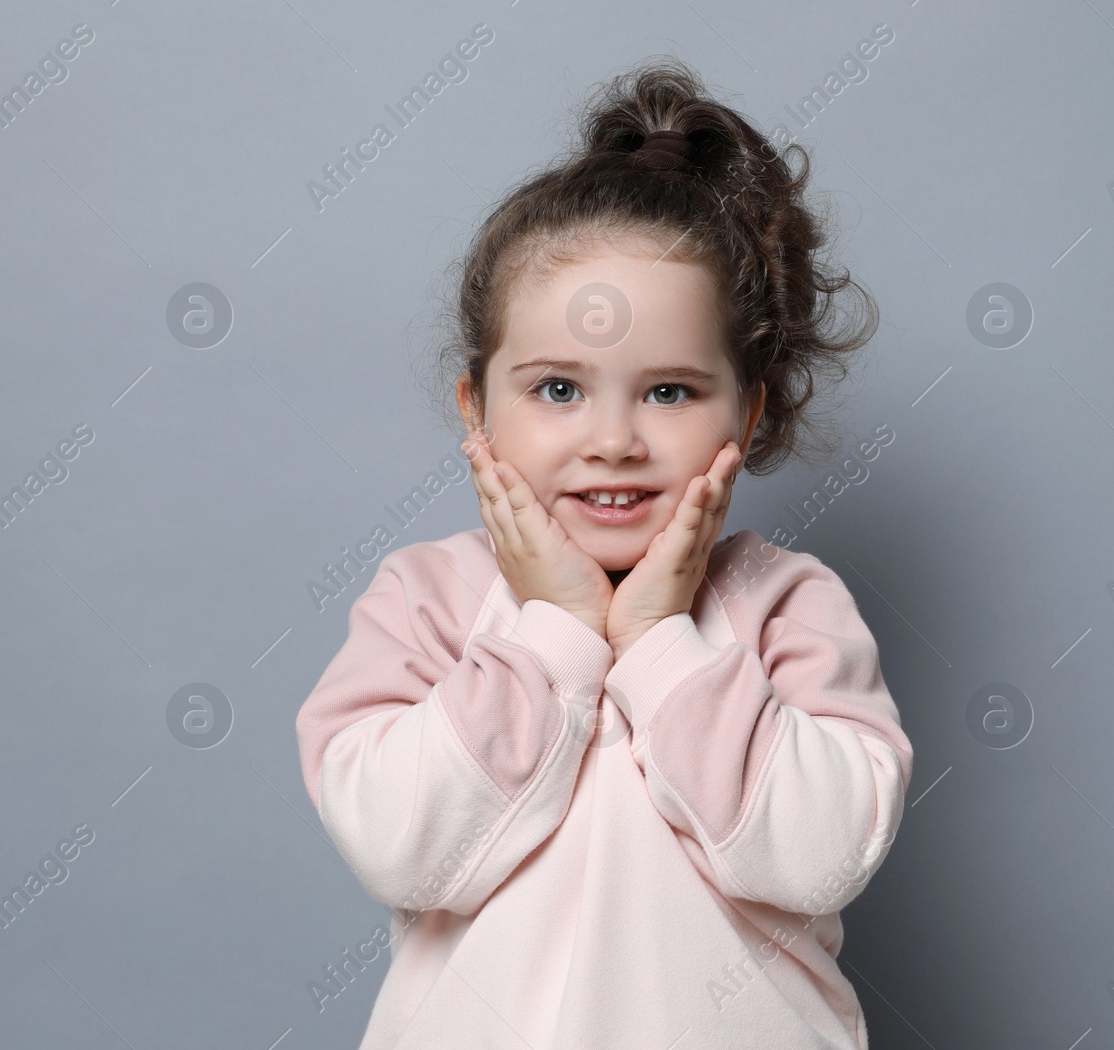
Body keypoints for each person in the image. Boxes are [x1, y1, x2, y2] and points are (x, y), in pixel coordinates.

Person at [294, 55, 914, 1049]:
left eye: (668, 390)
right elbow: (400, 847)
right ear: (477, 407)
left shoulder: (787, 604)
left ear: (746, 411)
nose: (612, 439)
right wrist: (554, 631)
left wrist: (664, 637)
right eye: (556, 389)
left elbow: (816, 856)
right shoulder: (428, 600)